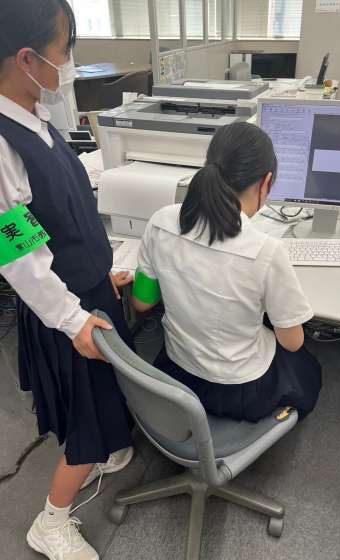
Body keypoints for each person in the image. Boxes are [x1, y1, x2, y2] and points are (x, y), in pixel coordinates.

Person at [0, 2, 134, 559]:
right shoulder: (2, 144)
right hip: (63, 310)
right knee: (87, 418)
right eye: (65, 50)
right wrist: (73, 319)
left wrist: (101, 272)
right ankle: (50, 522)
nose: (70, 61)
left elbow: (66, 215)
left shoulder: (34, 116)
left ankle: (104, 449)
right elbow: (20, 255)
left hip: (88, 288)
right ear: (27, 59)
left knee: (107, 395)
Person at [132, 121, 322, 424]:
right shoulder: (267, 251)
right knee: (307, 368)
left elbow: (142, 303)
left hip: (177, 370)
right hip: (239, 390)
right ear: (266, 182)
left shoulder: (160, 221)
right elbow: (292, 342)